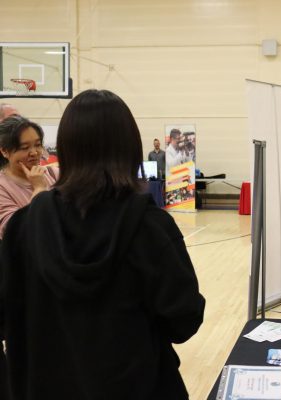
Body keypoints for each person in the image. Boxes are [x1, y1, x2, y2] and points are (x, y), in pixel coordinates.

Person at [0, 89, 206, 399]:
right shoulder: (150, 227)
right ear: (129, 146)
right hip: (137, 384)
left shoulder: (23, 227)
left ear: (65, 148)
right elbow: (184, 319)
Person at [0, 115, 58, 239]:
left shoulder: (53, 173)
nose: (34, 153)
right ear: (5, 151)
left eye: (37, 145)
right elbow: (15, 231)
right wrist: (38, 189)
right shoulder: (2, 187)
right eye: (24, 148)